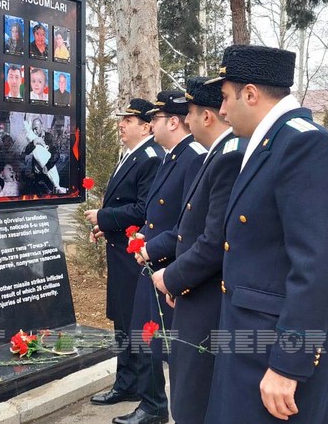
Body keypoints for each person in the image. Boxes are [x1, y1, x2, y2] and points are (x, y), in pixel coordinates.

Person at [204, 45, 328, 424]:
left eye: (224, 97)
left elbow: (319, 264)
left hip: (275, 350)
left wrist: (289, 363)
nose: (221, 110)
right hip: (250, 339)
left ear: (250, 94)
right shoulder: (271, 142)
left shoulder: (303, 143)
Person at [146, 77, 243, 423]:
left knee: (195, 397)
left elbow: (213, 240)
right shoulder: (215, 155)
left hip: (208, 299)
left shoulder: (229, 157)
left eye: (189, 113)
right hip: (195, 291)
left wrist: (173, 278)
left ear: (207, 117)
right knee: (189, 393)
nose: (184, 121)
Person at [119, 90, 206, 424]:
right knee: (148, 336)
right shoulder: (172, 155)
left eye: (154, 119)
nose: (150, 124)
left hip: (171, 264)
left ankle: (162, 407)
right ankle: (152, 404)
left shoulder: (194, 156)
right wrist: (141, 236)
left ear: (173, 120)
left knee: (169, 344)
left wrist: (151, 247)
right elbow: (157, 213)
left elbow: (189, 222)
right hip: (152, 260)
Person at [83, 99, 163, 413]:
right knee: (122, 323)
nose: (121, 124)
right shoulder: (130, 155)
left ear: (145, 125)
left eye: (128, 120)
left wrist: (104, 217)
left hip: (135, 258)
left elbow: (143, 210)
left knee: (136, 325)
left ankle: (147, 396)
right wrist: (108, 229)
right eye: (122, 119)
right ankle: (126, 384)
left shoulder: (150, 158)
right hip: (120, 250)